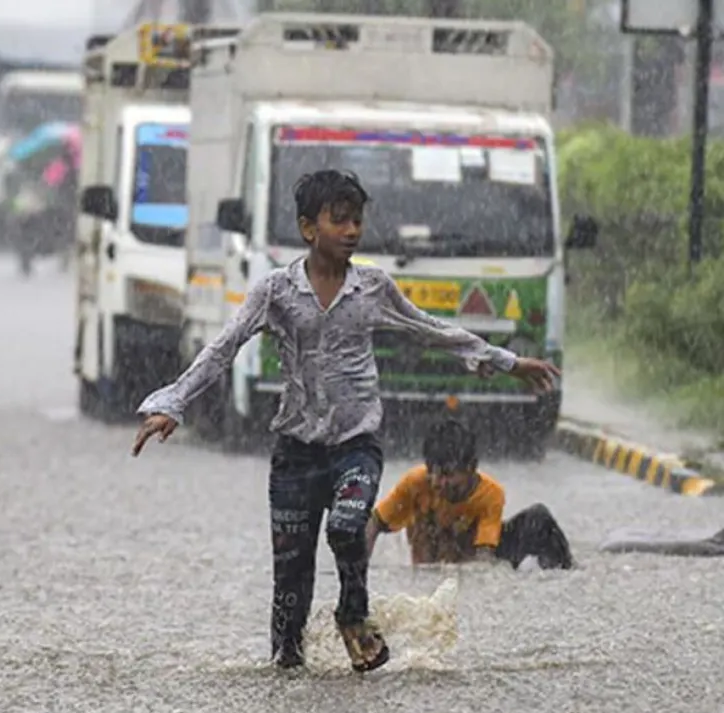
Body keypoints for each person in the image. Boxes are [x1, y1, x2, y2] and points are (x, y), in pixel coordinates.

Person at [129, 170, 561, 673]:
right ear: (309, 228)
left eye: (357, 220)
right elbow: (223, 348)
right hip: (295, 453)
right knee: (290, 581)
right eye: (340, 220)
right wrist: (172, 403)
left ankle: (352, 614)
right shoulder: (276, 291)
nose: (352, 230)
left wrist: (508, 362)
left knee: (348, 522)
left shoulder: (372, 288)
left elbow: (431, 329)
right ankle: (285, 671)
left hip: (356, 444)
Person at [365, 418, 576, 570]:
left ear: (471, 467)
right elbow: (374, 523)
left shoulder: (490, 494)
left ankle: (566, 571)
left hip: (468, 560)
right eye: (434, 474)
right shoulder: (415, 484)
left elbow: (484, 558)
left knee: (538, 518)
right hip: (428, 568)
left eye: (448, 475)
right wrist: (357, 569)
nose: (439, 483)